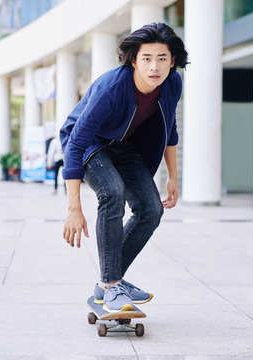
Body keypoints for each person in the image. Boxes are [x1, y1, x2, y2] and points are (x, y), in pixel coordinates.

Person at [60, 23, 188, 313]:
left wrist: (172, 178)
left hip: (125, 146)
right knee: (112, 191)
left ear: (172, 61)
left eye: (162, 58)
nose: (154, 66)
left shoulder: (172, 84)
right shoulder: (112, 88)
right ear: (134, 60)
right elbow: (76, 142)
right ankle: (112, 283)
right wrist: (73, 206)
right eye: (147, 58)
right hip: (90, 144)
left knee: (151, 209)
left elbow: (170, 130)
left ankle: (110, 282)